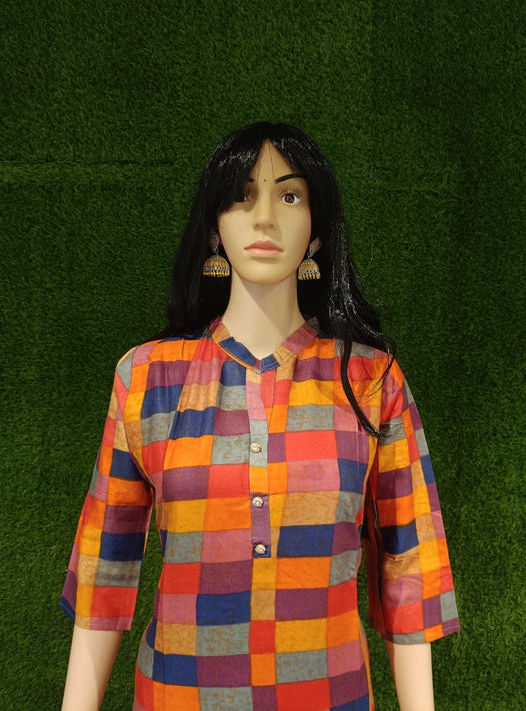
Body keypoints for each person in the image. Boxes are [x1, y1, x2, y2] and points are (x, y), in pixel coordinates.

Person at [60, 122, 460, 711]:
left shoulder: (370, 381)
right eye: (242, 196)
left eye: (289, 196)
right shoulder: (147, 378)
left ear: (316, 231)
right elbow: (105, 568)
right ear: (214, 229)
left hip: (332, 696)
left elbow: (410, 568)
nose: (265, 217)